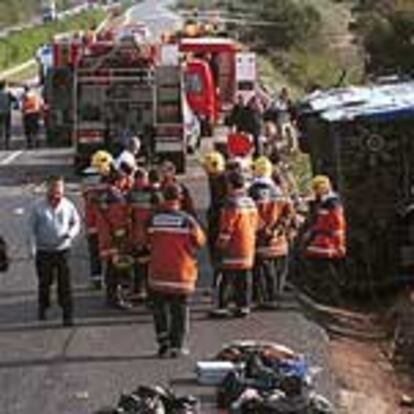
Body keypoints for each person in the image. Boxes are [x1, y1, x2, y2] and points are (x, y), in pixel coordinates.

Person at [147, 183, 206, 357]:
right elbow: (200, 241)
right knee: (179, 310)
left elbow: (144, 240)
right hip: (181, 274)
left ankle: (163, 340)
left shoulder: (153, 219)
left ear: (164, 197)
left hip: (158, 272)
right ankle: (177, 345)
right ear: (179, 198)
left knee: (159, 308)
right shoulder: (187, 221)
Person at [28, 175, 81, 326]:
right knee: (45, 281)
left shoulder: (68, 205)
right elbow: (31, 229)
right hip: (43, 250)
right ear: (48, 188)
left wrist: (70, 234)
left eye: (59, 187)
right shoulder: (37, 206)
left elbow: (76, 222)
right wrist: (32, 248)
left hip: (62, 250)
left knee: (65, 283)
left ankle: (67, 314)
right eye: (53, 187)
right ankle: (43, 306)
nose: (56, 190)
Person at [249, 157, 296, 308]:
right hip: (278, 241)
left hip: (259, 240)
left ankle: (260, 298)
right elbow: (289, 214)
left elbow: (251, 215)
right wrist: (277, 230)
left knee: (260, 270)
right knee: (276, 270)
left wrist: (264, 230)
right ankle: (274, 298)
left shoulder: (251, 192)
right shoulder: (279, 191)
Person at [213, 171, 258, 317]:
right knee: (244, 278)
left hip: (234, 247)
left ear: (230, 185)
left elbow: (227, 227)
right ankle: (243, 305)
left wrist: (220, 245)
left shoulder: (231, 202)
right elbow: (256, 223)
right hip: (248, 246)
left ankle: (223, 307)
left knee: (227, 278)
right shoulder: (249, 201)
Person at [298, 175, 346, 305]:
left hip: (329, 240)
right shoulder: (330, 201)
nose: (315, 192)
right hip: (328, 239)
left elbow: (328, 222)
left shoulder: (331, 203)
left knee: (327, 269)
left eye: (316, 188)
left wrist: (312, 231)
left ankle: (330, 297)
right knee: (325, 268)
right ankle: (327, 295)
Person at [0, 80, 16, 150]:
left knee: (1, 128)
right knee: (7, 128)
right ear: (5, 86)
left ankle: (1, 143)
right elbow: (14, 99)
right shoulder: (8, 93)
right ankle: (7, 144)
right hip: (7, 112)